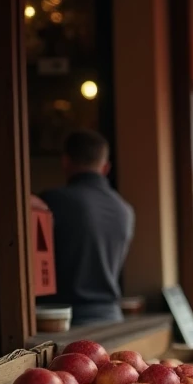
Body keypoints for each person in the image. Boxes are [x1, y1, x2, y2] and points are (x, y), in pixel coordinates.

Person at [38, 129, 135, 326]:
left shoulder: (51, 202)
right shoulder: (125, 210)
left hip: (66, 322)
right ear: (106, 167)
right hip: (112, 318)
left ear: (65, 161)